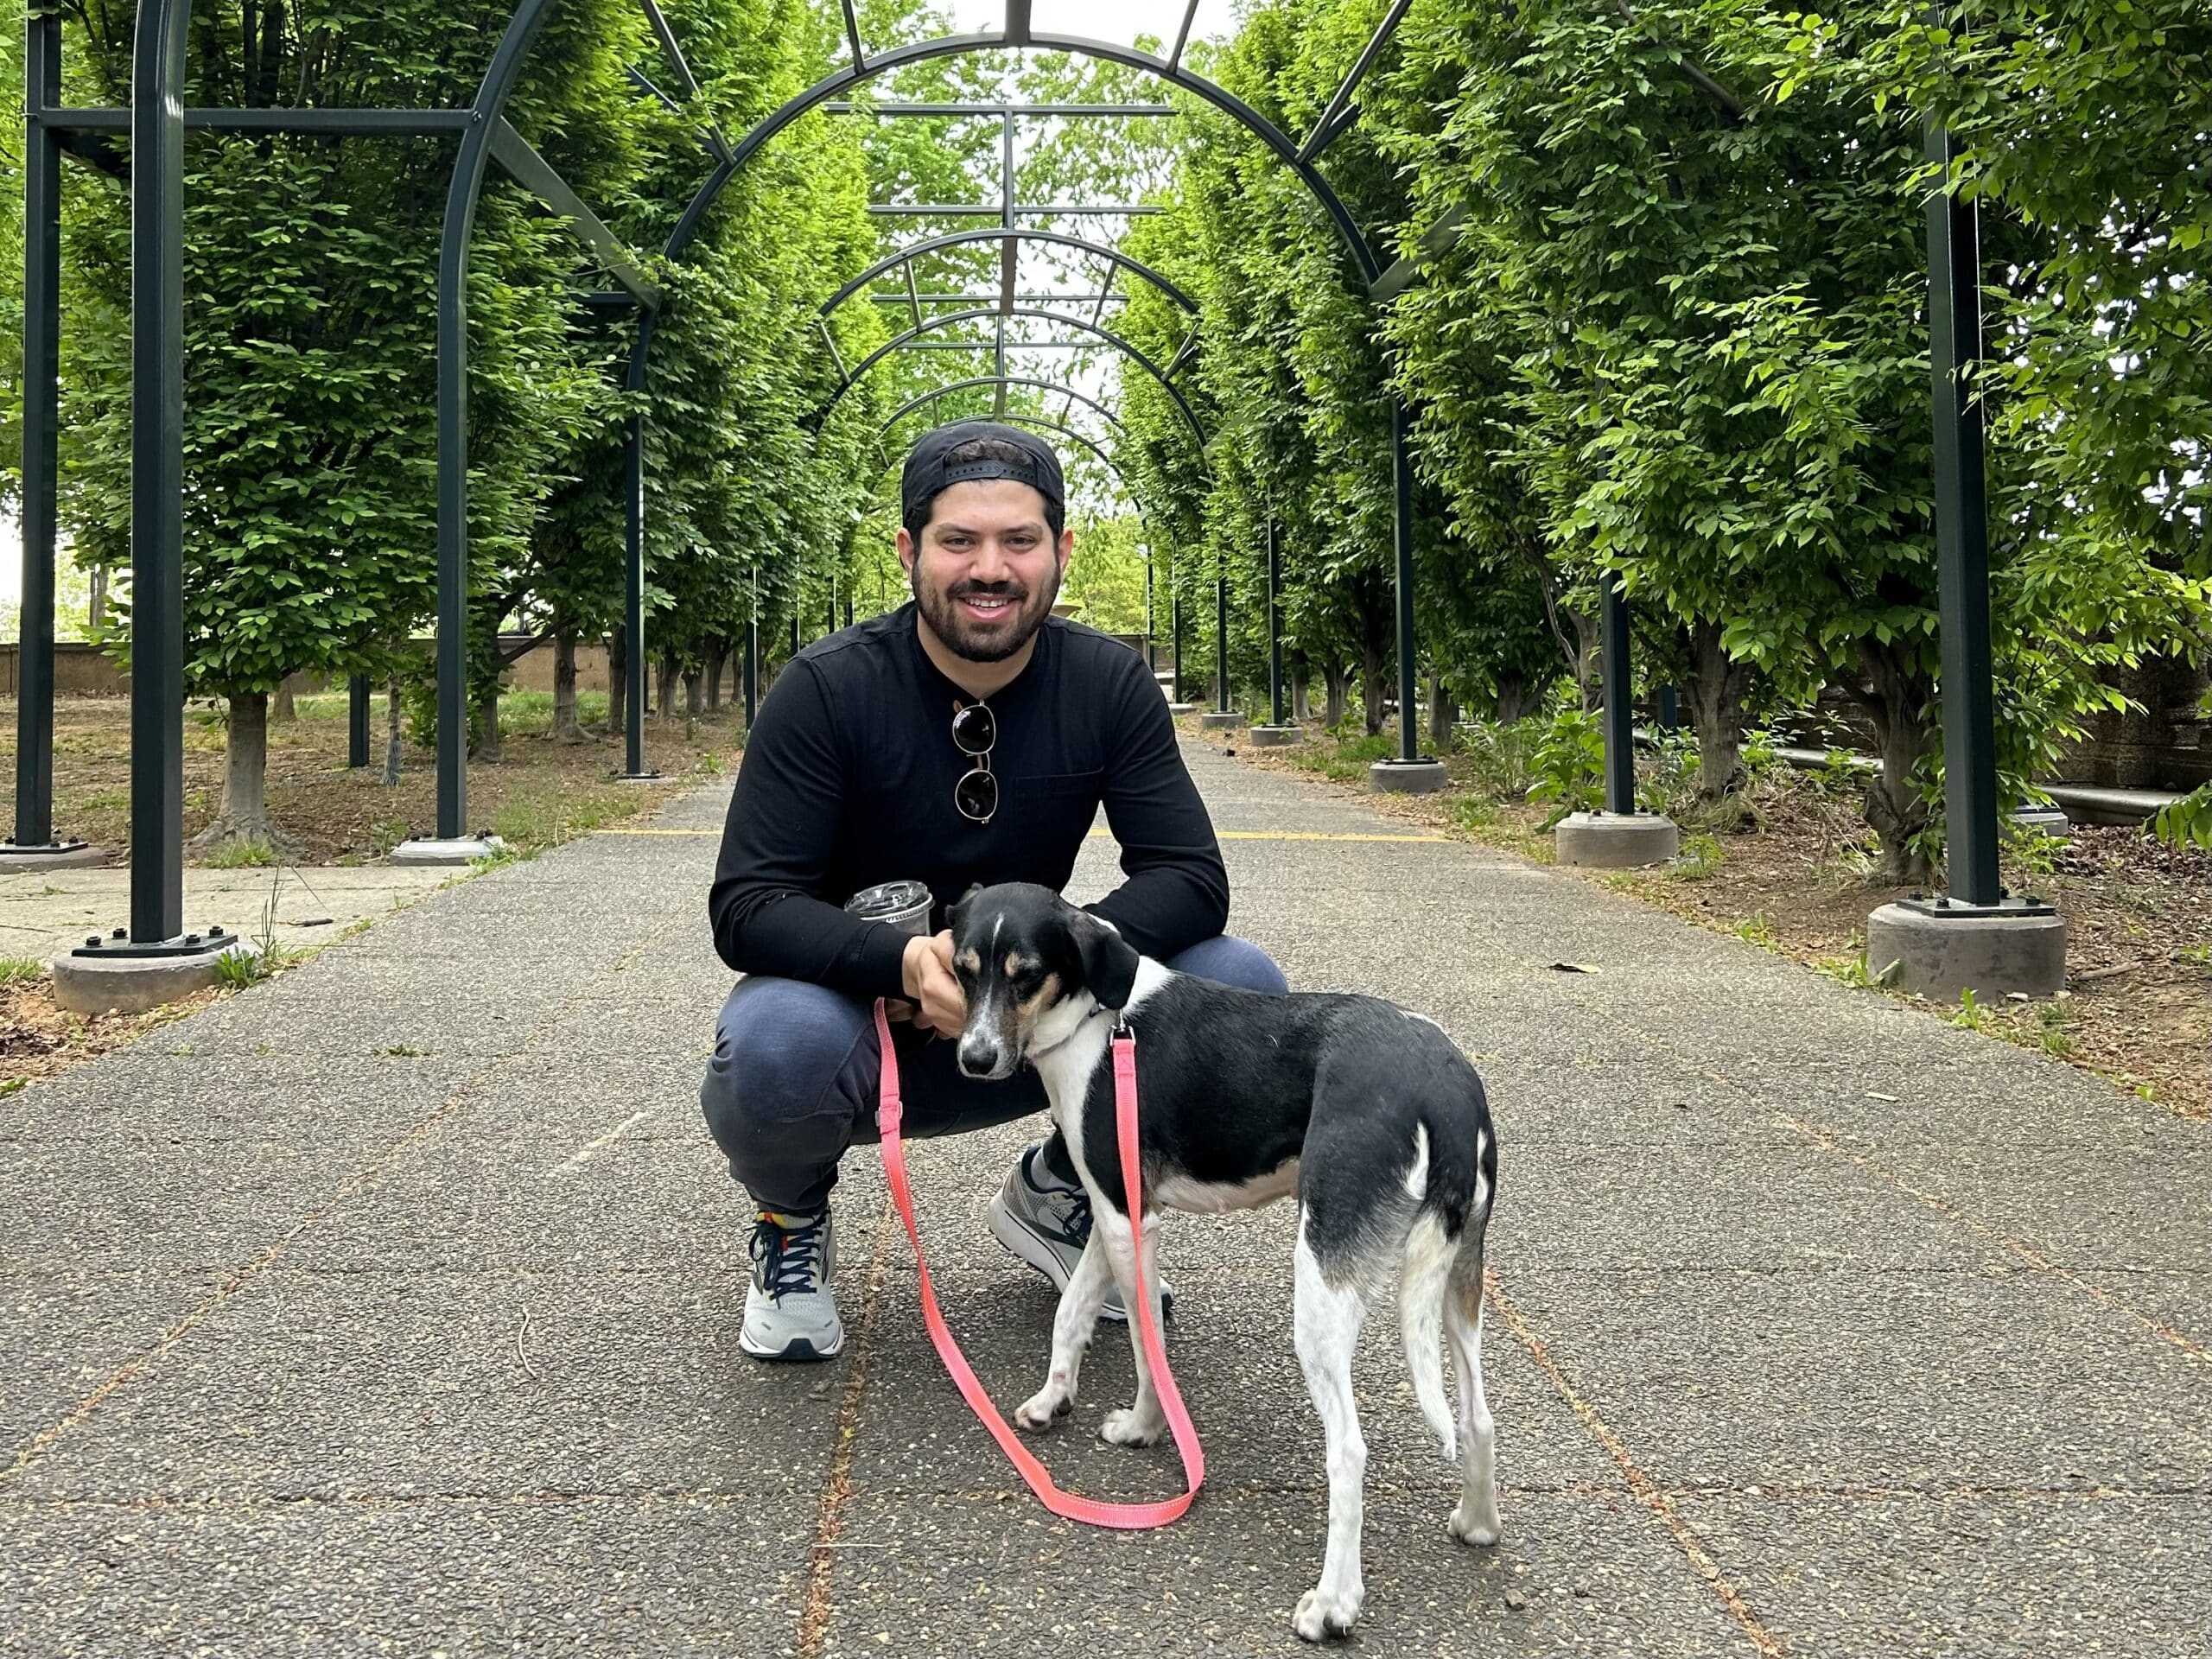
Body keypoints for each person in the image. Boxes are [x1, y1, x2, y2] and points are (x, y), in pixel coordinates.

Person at [701, 421, 1287, 1361]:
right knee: (772, 1046)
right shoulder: (823, 690)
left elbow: (1189, 878)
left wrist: (1049, 963)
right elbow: (748, 903)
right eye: (958, 541)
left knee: (1243, 983)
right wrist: (898, 960)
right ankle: (789, 1220)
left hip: (1031, 1026)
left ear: (1060, 549)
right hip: (863, 1032)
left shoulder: (1107, 683)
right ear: (908, 551)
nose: (991, 568)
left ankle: (1061, 1188)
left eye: (1018, 540)